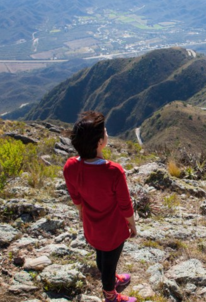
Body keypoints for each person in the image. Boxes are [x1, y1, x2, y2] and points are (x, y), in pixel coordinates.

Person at [63, 111, 137, 302]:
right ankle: (111, 295)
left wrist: (81, 213)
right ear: (99, 142)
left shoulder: (71, 166)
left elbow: (76, 196)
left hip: (92, 226)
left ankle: (111, 280)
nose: (106, 132)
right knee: (110, 262)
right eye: (104, 131)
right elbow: (124, 204)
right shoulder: (113, 171)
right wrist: (132, 225)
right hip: (113, 229)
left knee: (100, 254)